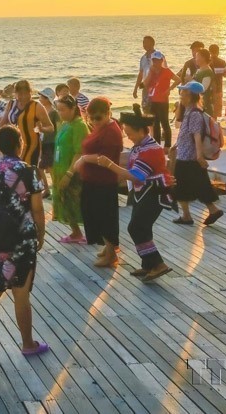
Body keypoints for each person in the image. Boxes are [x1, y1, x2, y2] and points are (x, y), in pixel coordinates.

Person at [0, 125, 48, 356]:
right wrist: (40, 234)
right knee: (21, 292)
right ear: (19, 144)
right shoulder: (29, 171)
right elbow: (37, 209)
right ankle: (27, 344)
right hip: (22, 237)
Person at [92, 104, 175, 282]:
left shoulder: (150, 150)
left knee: (137, 227)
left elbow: (136, 175)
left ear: (141, 131)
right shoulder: (141, 146)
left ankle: (158, 264)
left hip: (154, 192)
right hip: (143, 192)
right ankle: (148, 264)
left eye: (130, 133)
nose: (128, 137)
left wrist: (110, 165)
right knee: (141, 227)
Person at [73, 97, 124, 268]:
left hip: (103, 180)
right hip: (93, 179)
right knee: (93, 213)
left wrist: (84, 159)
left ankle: (111, 254)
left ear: (108, 113)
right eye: (91, 118)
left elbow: (105, 158)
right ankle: (108, 247)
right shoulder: (101, 128)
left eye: (98, 118)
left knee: (105, 217)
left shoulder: (111, 132)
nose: (94, 121)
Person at [170, 82, 224, 226]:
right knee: (201, 185)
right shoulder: (190, 111)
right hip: (187, 155)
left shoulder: (194, 114)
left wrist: (199, 156)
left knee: (180, 186)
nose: (181, 95)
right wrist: (176, 145)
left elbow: (197, 136)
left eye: (183, 93)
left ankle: (187, 216)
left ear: (189, 95)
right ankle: (212, 210)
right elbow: (186, 134)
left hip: (188, 157)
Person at [52, 95, 89, 244]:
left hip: (73, 170)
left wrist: (69, 173)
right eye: (58, 110)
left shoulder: (79, 125)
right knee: (65, 201)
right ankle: (76, 232)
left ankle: (91, 233)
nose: (60, 113)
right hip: (59, 168)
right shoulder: (65, 124)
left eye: (63, 110)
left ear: (73, 108)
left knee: (77, 203)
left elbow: (79, 152)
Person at [0, 80, 54, 170]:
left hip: (31, 146)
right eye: (20, 94)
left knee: (28, 171)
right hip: (13, 146)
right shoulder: (11, 104)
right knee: (11, 171)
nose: (23, 97)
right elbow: (3, 122)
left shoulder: (37, 106)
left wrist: (42, 129)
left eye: (26, 93)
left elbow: (51, 128)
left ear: (30, 92)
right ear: (15, 93)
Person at [143, 51, 179, 148]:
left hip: (163, 101)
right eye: (154, 60)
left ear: (161, 60)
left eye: (157, 60)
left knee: (165, 123)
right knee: (155, 125)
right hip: (153, 100)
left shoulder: (166, 71)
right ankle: (157, 145)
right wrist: (150, 73)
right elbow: (145, 84)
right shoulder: (151, 71)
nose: (155, 63)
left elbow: (178, 79)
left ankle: (167, 146)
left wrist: (169, 89)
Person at [36, 87, 59, 197]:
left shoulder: (54, 112)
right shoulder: (42, 110)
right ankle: (51, 189)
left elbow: (57, 128)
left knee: (46, 167)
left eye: (42, 97)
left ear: (47, 99)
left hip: (51, 142)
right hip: (43, 142)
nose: (40, 99)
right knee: (47, 167)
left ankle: (51, 189)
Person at [133, 36, 157, 111]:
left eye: (146, 42)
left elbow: (164, 71)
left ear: (152, 43)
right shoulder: (143, 58)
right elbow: (140, 74)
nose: (144, 44)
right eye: (143, 42)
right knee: (145, 108)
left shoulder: (158, 56)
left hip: (156, 88)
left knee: (155, 110)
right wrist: (135, 89)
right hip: (146, 88)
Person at [192, 48, 216, 117]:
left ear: (203, 58)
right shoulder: (199, 70)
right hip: (196, 101)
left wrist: (190, 80)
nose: (195, 59)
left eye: (197, 57)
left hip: (204, 103)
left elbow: (203, 88)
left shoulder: (207, 72)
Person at [208, 45, 226, 121]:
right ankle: (214, 123)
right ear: (218, 52)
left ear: (209, 52)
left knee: (209, 107)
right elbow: (225, 74)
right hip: (219, 87)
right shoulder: (222, 62)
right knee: (216, 109)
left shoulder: (207, 62)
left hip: (209, 88)